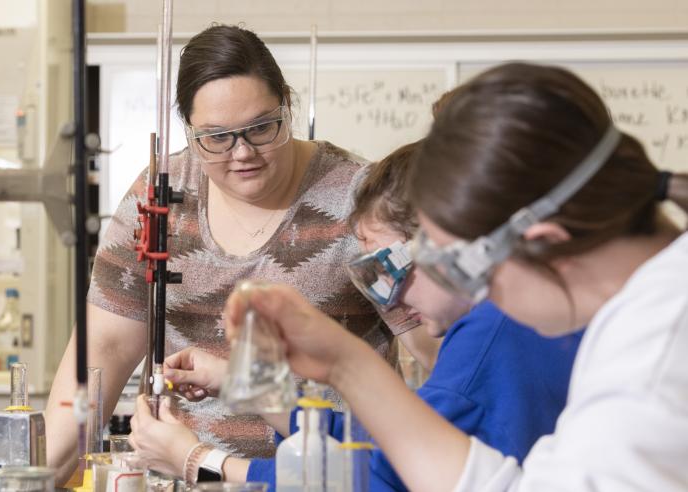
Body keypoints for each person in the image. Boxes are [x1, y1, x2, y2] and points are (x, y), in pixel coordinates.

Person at [221, 62, 688, 491]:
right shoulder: (644, 311)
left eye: (463, 269)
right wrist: (345, 363)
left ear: (545, 242)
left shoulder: (656, 357)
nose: (477, 298)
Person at [44, 24, 437, 483]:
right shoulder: (159, 196)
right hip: (178, 475)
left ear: (286, 105)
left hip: (321, 478)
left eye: (261, 128)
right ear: (189, 130)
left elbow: (435, 349)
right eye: (217, 137)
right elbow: (102, 350)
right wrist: (38, 476)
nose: (243, 152)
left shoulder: (358, 201)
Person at [128, 142, 583, 491]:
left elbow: (372, 481)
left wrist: (200, 461)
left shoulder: (488, 342)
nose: (386, 298)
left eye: (387, 268)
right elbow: (380, 442)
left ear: (445, 245)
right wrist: (250, 386)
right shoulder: (494, 325)